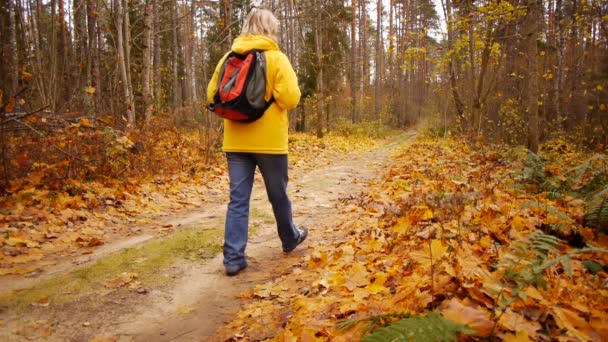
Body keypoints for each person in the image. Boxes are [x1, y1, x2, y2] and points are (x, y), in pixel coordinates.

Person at [207, 7, 307, 276]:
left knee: (238, 200)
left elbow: (211, 94)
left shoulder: (228, 57)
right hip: (270, 143)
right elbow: (291, 99)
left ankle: (233, 259)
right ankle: (289, 238)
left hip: (236, 141)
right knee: (278, 195)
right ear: (269, 29)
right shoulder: (277, 58)